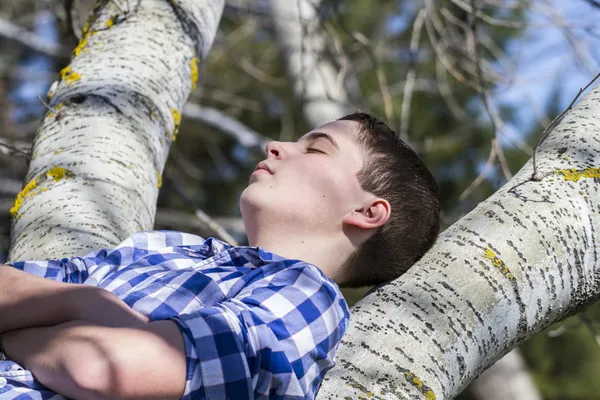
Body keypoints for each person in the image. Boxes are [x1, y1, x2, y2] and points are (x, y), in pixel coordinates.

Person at [0, 112, 440, 400]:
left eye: (316, 148)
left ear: (367, 211)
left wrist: (80, 304)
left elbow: (98, 367)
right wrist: (90, 313)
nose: (274, 145)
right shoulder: (167, 248)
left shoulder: (307, 301)